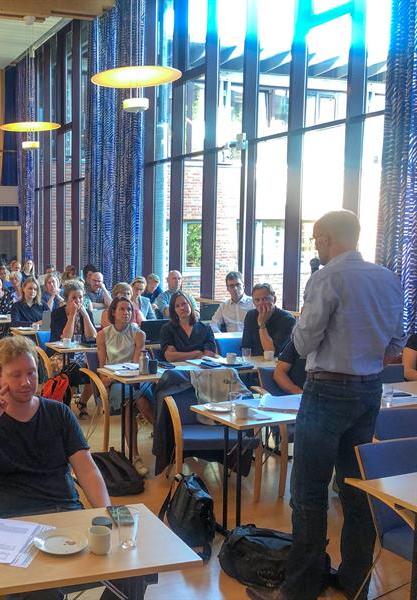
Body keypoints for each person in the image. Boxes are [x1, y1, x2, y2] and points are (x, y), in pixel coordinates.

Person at [246, 211, 406, 600]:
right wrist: (366, 361)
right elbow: (397, 343)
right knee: (355, 489)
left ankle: (299, 588)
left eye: (317, 238)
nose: (316, 245)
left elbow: (302, 342)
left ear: (328, 239)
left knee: (309, 493)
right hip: (368, 391)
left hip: (326, 390)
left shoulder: (327, 277)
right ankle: (355, 581)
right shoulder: (388, 278)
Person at [0, 336, 150, 599]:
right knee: (42, 591)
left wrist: (106, 513)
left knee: (136, 568)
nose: (26, 382)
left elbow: (87, 471)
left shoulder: (58, 413)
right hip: (12, 526)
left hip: (65, 517)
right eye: (15, 375)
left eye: (31, 373)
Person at [96, 298, 150, 475]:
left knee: (138, 399)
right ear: (113, 312)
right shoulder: (103, 334)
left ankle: (135, 455)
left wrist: (127, 376)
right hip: (115, 382)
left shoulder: (139, 333)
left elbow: (136, 365)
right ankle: (137, 454)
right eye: (122, 309)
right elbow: (102, 368)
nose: (126, 313)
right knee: (135, 399)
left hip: (135, 379)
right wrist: (107, 380)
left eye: (129, 309)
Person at [50, 280, 97, 417]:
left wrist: (86, 316)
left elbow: (91, 336)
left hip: (81, 352)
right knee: (73, 369)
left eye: (81, 297)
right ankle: (66, 407)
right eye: (74, 298)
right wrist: (71, 316)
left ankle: (82, 402)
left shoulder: (86, 312)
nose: (78, 301)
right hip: (59, 354)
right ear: (67, 299)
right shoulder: (57, 314)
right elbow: (65, 338)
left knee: (94, 366)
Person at [240, 283, 296, 357]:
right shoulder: (251, 315)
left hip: (277, 363)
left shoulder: (288, 320)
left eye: (265, 299)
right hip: (254, 362)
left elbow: (271, 352)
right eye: (257, 300)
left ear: (274, 299)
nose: (261, 303)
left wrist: (262, 325)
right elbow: (246, 347)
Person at [159, 292, 217, 362]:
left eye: (184, 304)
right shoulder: (167, 329)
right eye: (177, 306)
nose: (182, 308)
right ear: (174, 310)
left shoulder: (205, 328)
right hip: (177, 369)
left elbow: (209, 355)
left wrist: (180, 355)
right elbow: (170, 357)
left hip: (201, 369)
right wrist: (197, 353)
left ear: (190, 304)